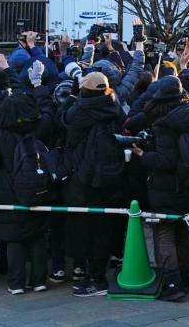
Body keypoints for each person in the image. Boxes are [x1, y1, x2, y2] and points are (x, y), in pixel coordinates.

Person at [127, 76, 189, 302]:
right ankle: (184, 280)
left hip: (166, 187)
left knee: (164, 233)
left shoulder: (163, 123)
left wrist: (143, 155)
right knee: (182, 231)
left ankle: (172, 283)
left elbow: (165, 160)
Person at [0, 70, 56, 295]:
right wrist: (38, 86)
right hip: (39, 187)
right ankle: (39, 280)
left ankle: (16, 283)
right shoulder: (39, 127)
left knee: (14, 238)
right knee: (37, 235)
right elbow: (47, 110)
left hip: (9, 190)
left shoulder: (1, 134)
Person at [60, 69, 129, 297]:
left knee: (83, 229)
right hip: (111, 177)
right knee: (103, 229)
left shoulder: (80, 111)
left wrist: (72, 94)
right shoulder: (114, 106)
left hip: (84, 177)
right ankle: (98, 275)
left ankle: (91, 276)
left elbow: (64, 118)